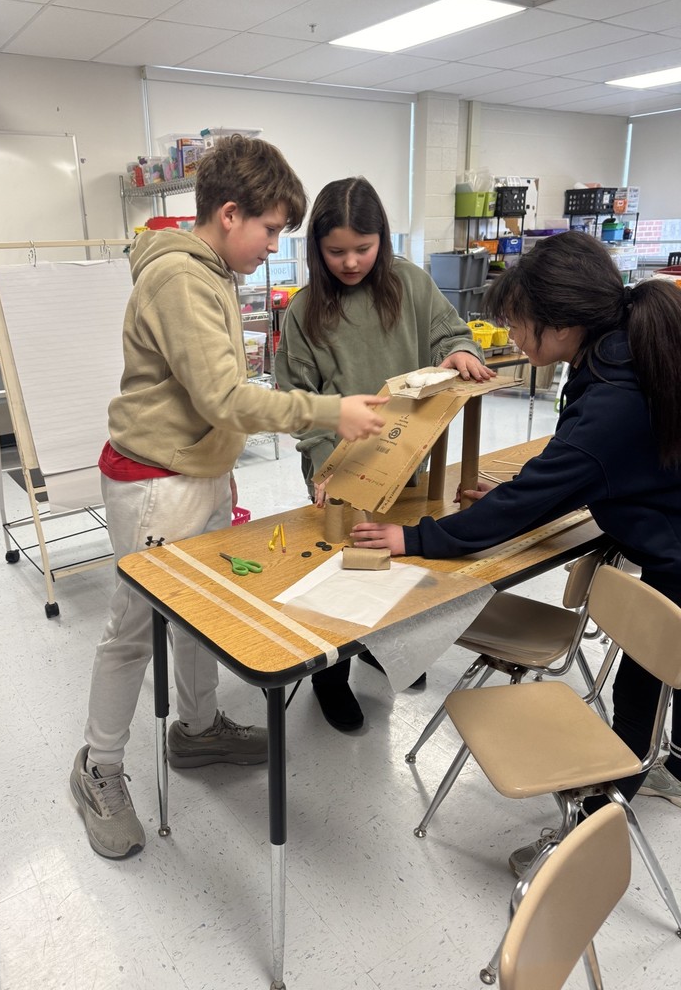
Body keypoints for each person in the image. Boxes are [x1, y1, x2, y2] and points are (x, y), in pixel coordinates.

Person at [70, 136, 388, 860]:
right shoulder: (183, 278)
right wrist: (327, 411)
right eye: (271, 230)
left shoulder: (211, 271)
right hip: (155, 483)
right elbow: (221, 396)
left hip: (193, 472)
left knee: (198, 617)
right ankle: (99, 768)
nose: (274, 246)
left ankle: (199, 730)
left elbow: (205, 400)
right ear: (230, 212)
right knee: (130, 633)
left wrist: (219, 470)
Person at [351, 229, 681, 869]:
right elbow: (587, 467)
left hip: (674, 560)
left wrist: (417, 538)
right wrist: (526, 492)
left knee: (641, 699)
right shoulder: (625, 350)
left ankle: (586, 835)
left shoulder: (615, 392)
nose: (513, 338)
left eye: (517, 324)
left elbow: (580, 462)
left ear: (561, 325)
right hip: (666, 533)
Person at [274, 176, 495, 733]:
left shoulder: (409, 284)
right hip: (337, 462)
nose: (351, 262)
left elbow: (451, 332)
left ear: (383, 240)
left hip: (406, 455)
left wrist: (462, 351)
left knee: (394, 558)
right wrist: (325, 466)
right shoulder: (304, 311)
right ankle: (331, 674)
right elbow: (297, 401)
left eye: (363, 248)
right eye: (337, 251)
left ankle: (380, 647)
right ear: (316, 250)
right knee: (345, 566)